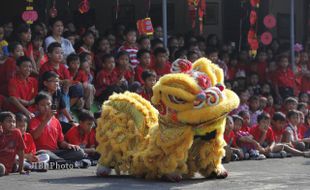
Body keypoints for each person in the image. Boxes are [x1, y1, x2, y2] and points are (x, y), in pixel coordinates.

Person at [28, 92, 85, 164]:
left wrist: (69, 145)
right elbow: (35, 136)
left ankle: (61, 162)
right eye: (42, 105)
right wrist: (47, 118)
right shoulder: (34, 120)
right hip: (42, 151)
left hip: (56, 152)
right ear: (36, 106)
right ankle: (68, 163)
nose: (46, 107)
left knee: (79, 152)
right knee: (43, 154)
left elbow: (61, 142)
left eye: (48, 104)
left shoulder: (56, 121)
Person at [0, 112, 25, 176]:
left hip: (7, 167)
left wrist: (21, 169)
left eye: (14, 122)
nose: (12, 124)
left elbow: (21, 151)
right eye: (9, 121)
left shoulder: (16, 133)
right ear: (1, 123)